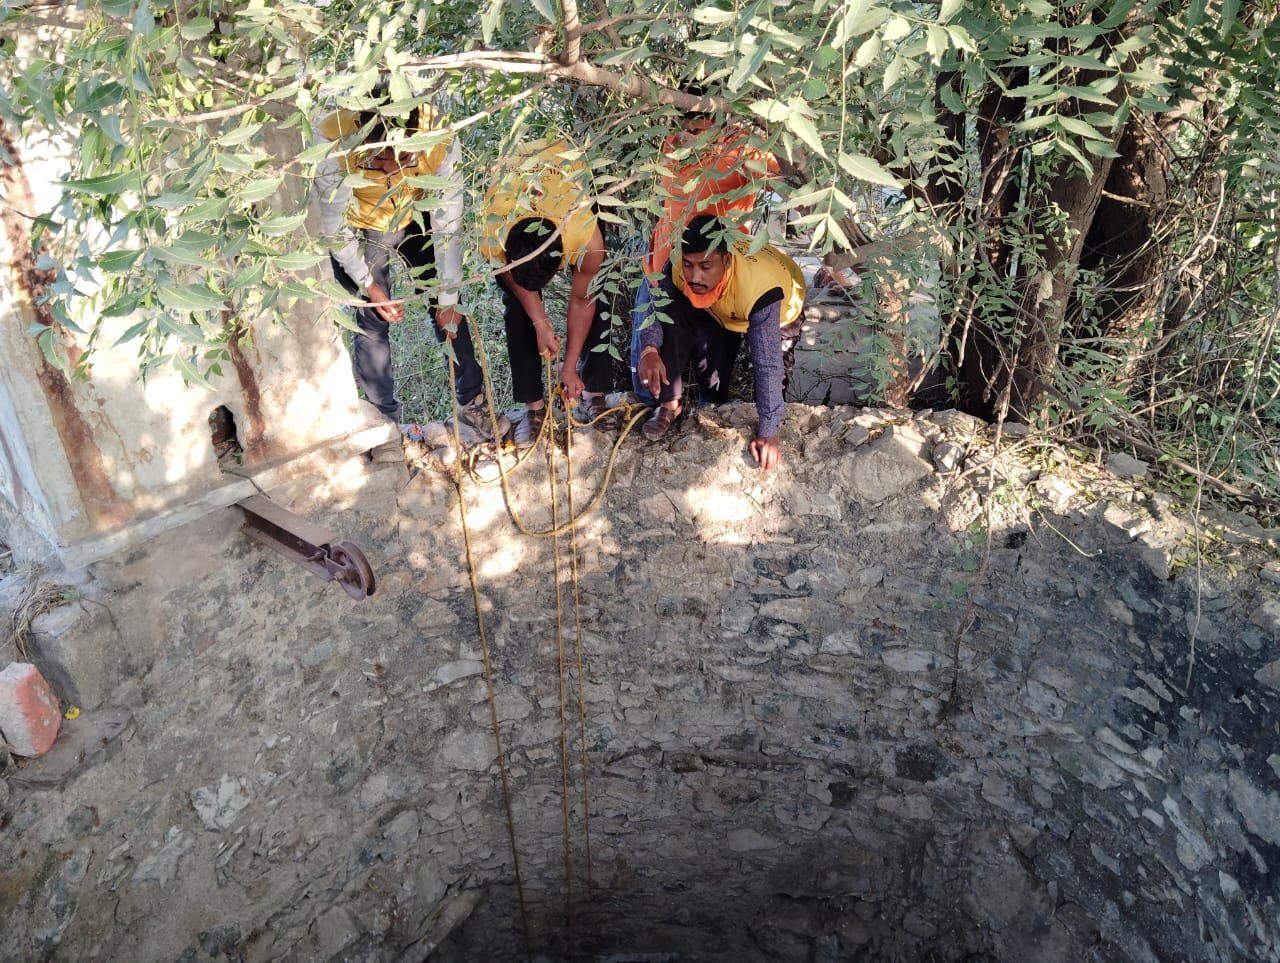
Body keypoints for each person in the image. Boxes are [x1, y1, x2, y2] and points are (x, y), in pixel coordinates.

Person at [316, 92, 505, 460]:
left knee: (449, 309)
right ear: (362, 134)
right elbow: (331, 227)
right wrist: (369, 285)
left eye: (406, 160)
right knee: (372, 319)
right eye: (383, 161)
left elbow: (449, 223)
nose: (394, 173)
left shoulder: (440, 138)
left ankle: (473, 401)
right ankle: (382, 424)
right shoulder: (331, 138)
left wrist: (447, 298)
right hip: (360, 225)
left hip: (418, 211)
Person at [630, 99, 781, 405]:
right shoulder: (670, 142)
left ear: (720, 117)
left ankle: (709, 414)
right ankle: (666, 409)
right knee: (650, 357)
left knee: (714, 362)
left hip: (719, 275)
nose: (688, 133)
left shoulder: (744, 149)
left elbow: (786, 183)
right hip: (663, 267)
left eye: (698, 127)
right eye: (684, 123)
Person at [635, 215, 806, 471]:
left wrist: (768, 431)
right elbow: (657, 305)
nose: (694, 276)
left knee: (774, 364)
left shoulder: (759, 288)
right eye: (689, 265)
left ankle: (765, 418)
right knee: (673, 313)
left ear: (726, 261)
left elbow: (767, 364)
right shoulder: (678, 264)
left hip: (778, 307)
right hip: (722, 303)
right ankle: (670, 405)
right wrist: (648, 348)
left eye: (705, 266)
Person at [480, 137, 615, 448]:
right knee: (518, 308)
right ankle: (534, 408)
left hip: (566, 180)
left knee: (600, 289)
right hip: (515, 181)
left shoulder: (584, 235)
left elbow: (583, 299)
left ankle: (594, 391)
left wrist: (568, 366)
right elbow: (511, 278)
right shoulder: (492, 232)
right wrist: (539, 321)